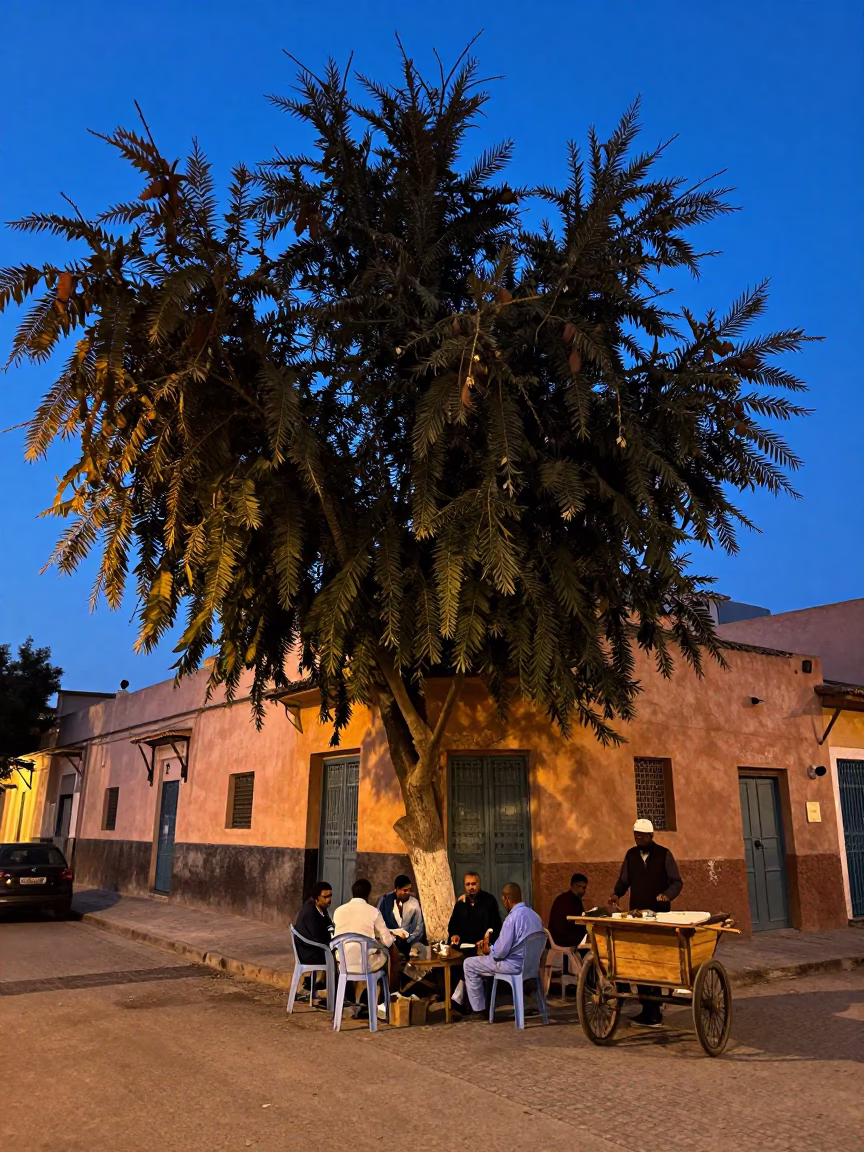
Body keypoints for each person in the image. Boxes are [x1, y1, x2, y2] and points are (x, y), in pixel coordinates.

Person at [608, 818, 683, 1026]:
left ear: (651, 836)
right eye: (635, 835)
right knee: (640, 961)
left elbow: (677, 882)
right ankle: (648, 1010)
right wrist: (616, 894)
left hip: (660, 916)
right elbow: (624, 880)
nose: (638, 839)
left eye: (641, 836)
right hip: (638, 914)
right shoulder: (631, 855)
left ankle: (655, 1008)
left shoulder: (664, 854)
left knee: (657, 960)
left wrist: (667, 895)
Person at [462, 882, 543, 1016]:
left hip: (513, 965)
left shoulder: (512, 919)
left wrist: (489, 948)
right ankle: (525, 1001)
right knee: (483, 962)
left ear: (506, 899)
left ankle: (479, 1011)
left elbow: (500, 953)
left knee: (469, 964)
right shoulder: (535, 916)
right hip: (531, 966)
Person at [292, 880, 335, 1005]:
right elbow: (318, 936)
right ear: (316, 899)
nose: (329, 900)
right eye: (325, 897)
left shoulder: (321, 908)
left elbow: (328, 926)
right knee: (338, 958)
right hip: (308, 952)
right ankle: (333, 995)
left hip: (316, 947)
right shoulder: (310, 912)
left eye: (330, 896)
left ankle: (314, 986)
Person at [448, 871, 502, 951]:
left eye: (473, 884)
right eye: (468, 884)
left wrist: (487, 941)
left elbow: (497, 927)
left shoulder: (489, 901)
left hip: (484, 949)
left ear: (479, 884)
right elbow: (452, 926)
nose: (470, 887)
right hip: (463, 949)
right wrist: (455, 935)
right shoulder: (460, 903)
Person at [377, 874, 425, 955]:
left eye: (409, 890)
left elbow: (419, 929)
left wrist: (407, 941)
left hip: (409, 946)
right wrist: (393, 935)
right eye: (405, 890)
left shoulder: (414, 904)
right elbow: (378, 923)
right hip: (389, 943)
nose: (408, 892)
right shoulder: (385, 901)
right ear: (396, 890)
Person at [548, 873, 588, 947]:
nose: (584, 891)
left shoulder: (564, 898)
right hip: (562, 938)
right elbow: (574, 920)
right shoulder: (568, 900)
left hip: (559, 936)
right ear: (576, 886)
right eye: (584, 888)